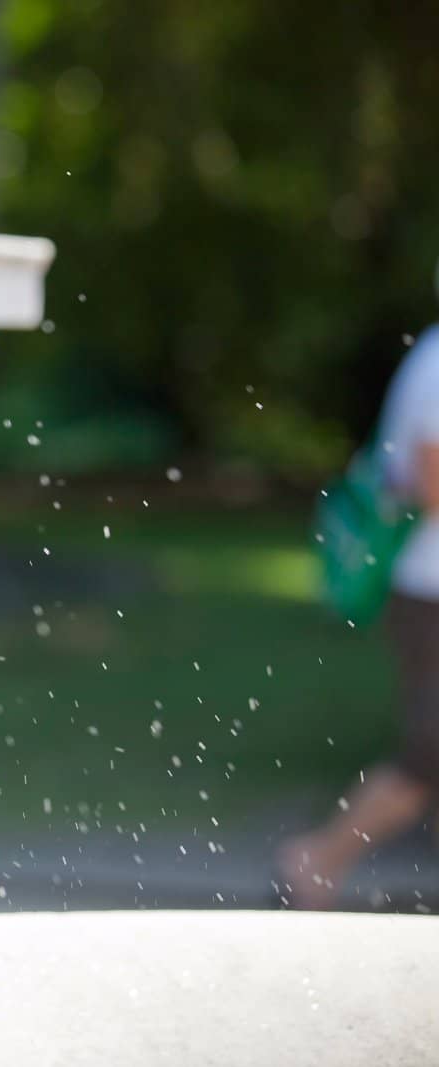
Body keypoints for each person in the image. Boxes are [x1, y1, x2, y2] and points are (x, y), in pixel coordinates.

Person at [278, 281, 439, 909]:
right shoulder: (437, 360)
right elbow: (431, 480)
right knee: (428, 756)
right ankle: (315, 860)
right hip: (430, 592)